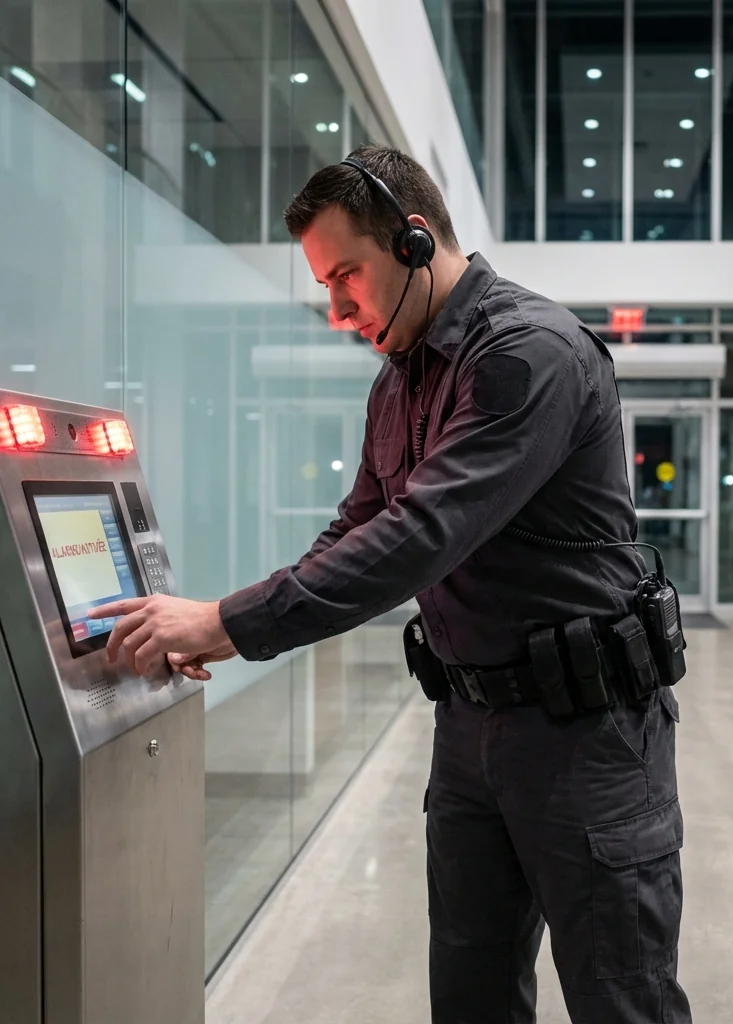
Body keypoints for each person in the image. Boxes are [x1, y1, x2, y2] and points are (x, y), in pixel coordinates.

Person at [90, 145, 693, 1024]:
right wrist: (220, 615)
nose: (338, 310)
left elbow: (420, 537)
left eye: (347, 277)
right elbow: (359, 526)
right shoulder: (402, 382)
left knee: (620, 997)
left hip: (587, 739)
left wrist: (223, 623)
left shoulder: (530, 356)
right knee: (470, 990)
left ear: (414, 243)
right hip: (470, 731)